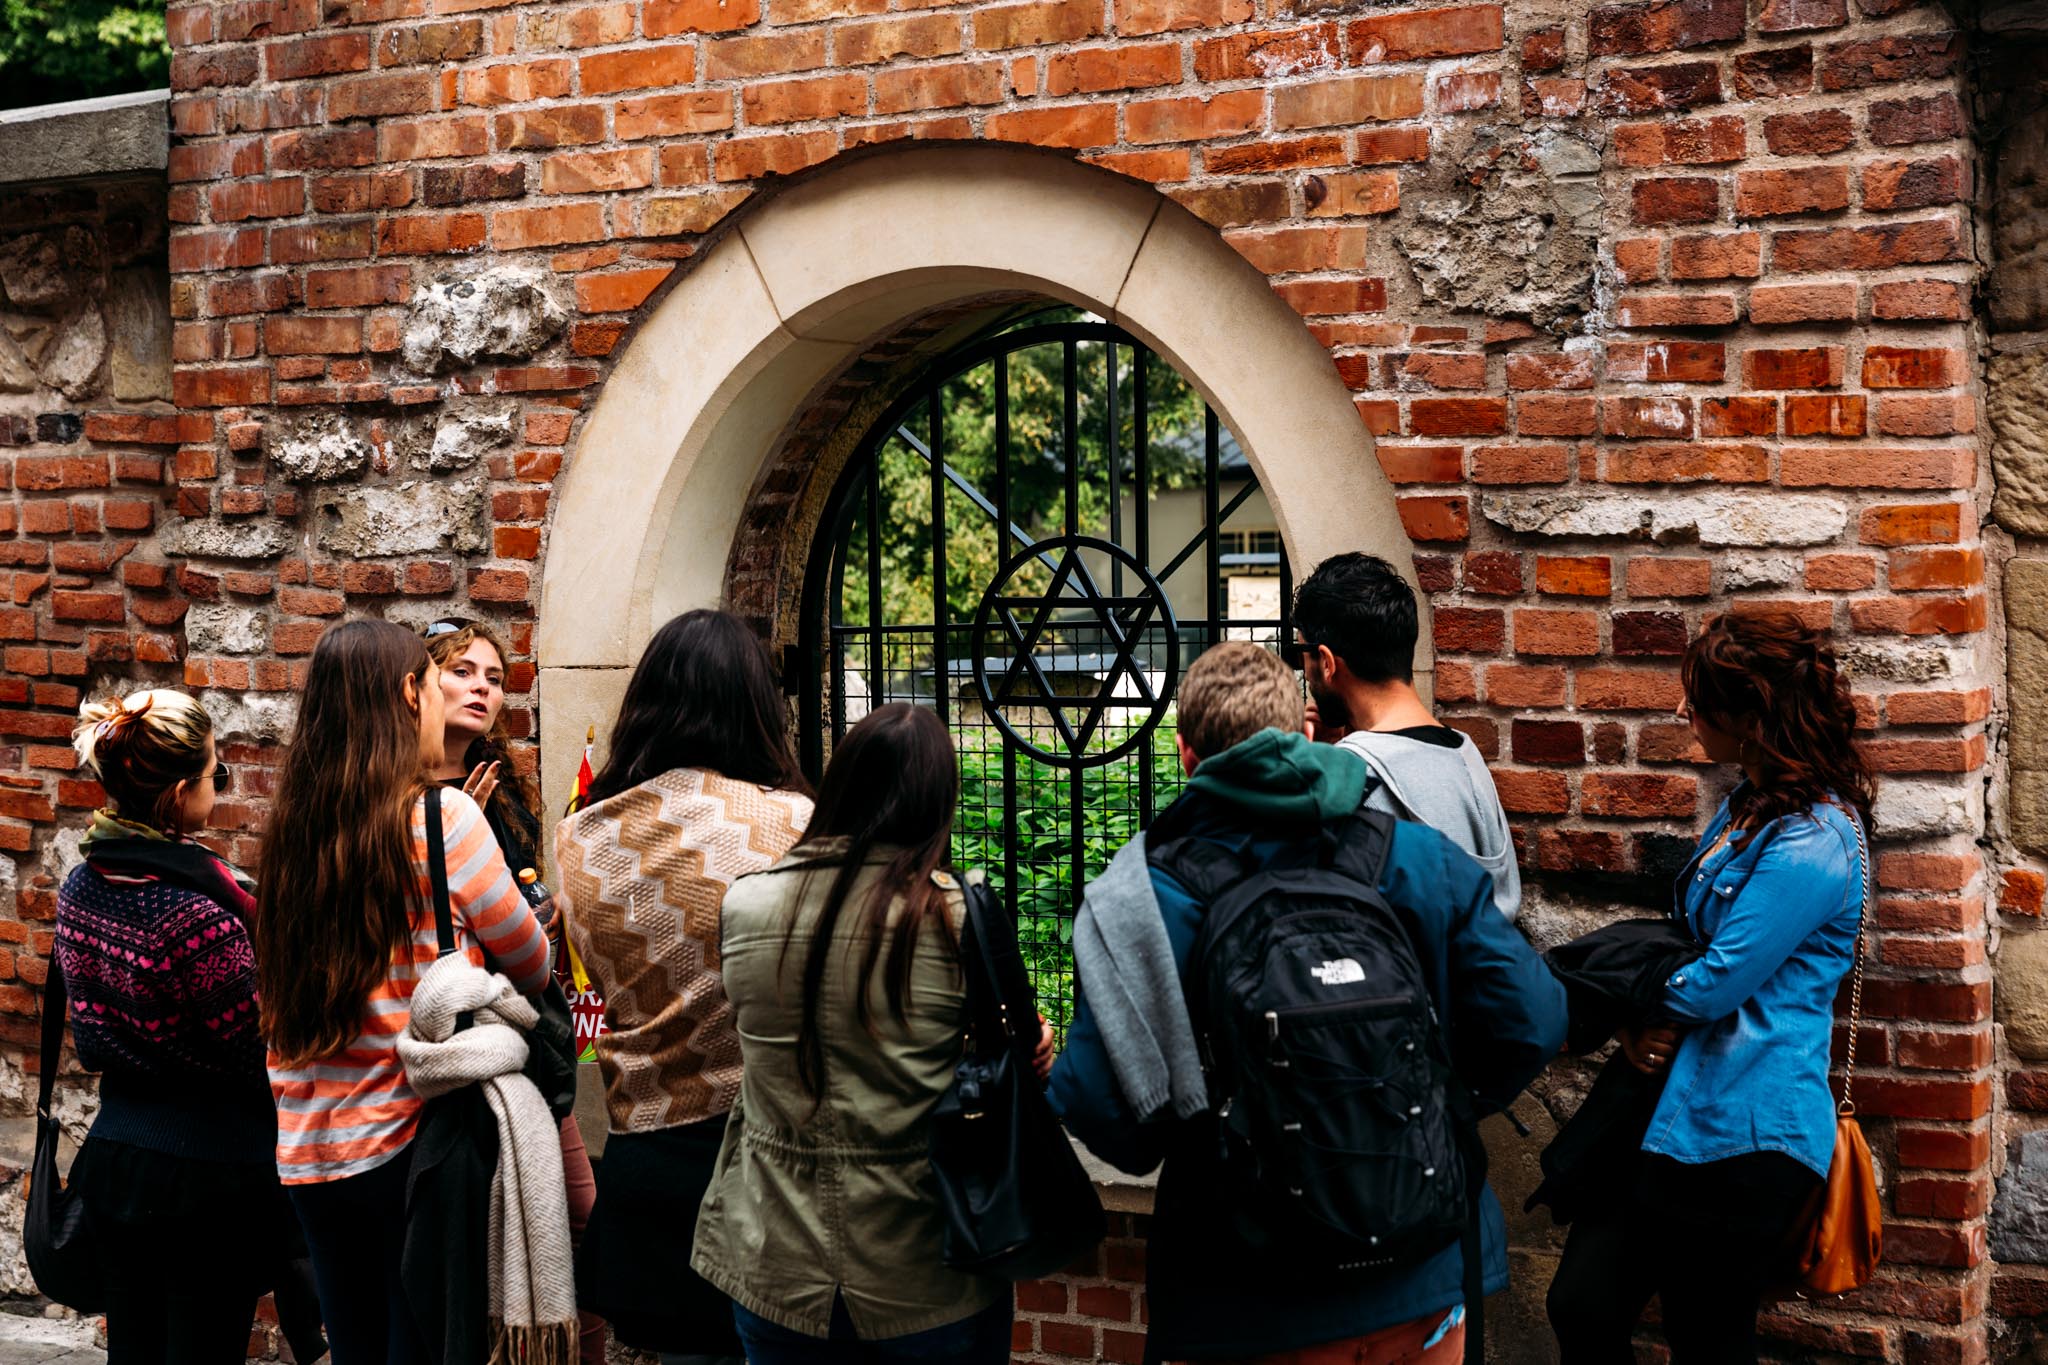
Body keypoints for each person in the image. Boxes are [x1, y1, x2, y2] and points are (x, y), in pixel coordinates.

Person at [1050, 641, 1567, 1363]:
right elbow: (1535, 1019)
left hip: (1247, 1294)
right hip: (1423, 1274)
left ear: (1185, 752)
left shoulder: (1141, 896)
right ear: (1308, 730)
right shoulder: (1417, 855)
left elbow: (1110, 1117)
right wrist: (1417, 1097)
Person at [1545, 613, 1872, 1365]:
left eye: (1697, 701)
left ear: (1749, 716)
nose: (1684, 714)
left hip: (1748, 1131)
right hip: (1672, 1113)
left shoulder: (1812, 840)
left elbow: (1710, 984)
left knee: (1708, 1338)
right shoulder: (1746, 805)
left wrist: (1632, 1002)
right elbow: (1685, 942)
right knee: (1582, 1304)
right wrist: (1634, 1024)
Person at [692, 703, 1053, 1365]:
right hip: (923, 1267)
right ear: (936, 802)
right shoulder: (953, 918)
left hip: (778, 1257)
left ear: (841, 785)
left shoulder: (744, 905)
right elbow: (1014, 1074)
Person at [257, 619, 550, 1365]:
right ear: (407, 693)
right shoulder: (443, 816)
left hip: (310, 1150)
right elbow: (534, 962)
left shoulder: (290, 829)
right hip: (411, 1143)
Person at [553, 610, 816, 1365]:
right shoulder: (793, 823)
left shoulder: (579, 837)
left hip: (644, 1165)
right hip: (765, 1167)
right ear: (754, 705)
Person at [53, 690, 304, 1364]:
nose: (219, 786)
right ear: (178, 793)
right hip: (208, 1175)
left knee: (133, 1349)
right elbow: (256, 1055)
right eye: (215, 773)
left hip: (119, 1156)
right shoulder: (202, 914)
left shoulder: (80, 884)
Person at [424, 616, 604, 1365]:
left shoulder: (499, 792)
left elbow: (519, 919)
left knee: (580, 1214)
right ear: (421, 683)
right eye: (463, 670)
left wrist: (541, 912)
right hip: (461, 1050)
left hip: (529, 1037)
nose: (482, 688)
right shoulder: (406, 797)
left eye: (495, 678)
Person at [1293, 552, 1523, 921]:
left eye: (1301, 653)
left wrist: (1320, 762)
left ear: (1327, 662)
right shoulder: (1466, 755)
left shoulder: (1349, 778)